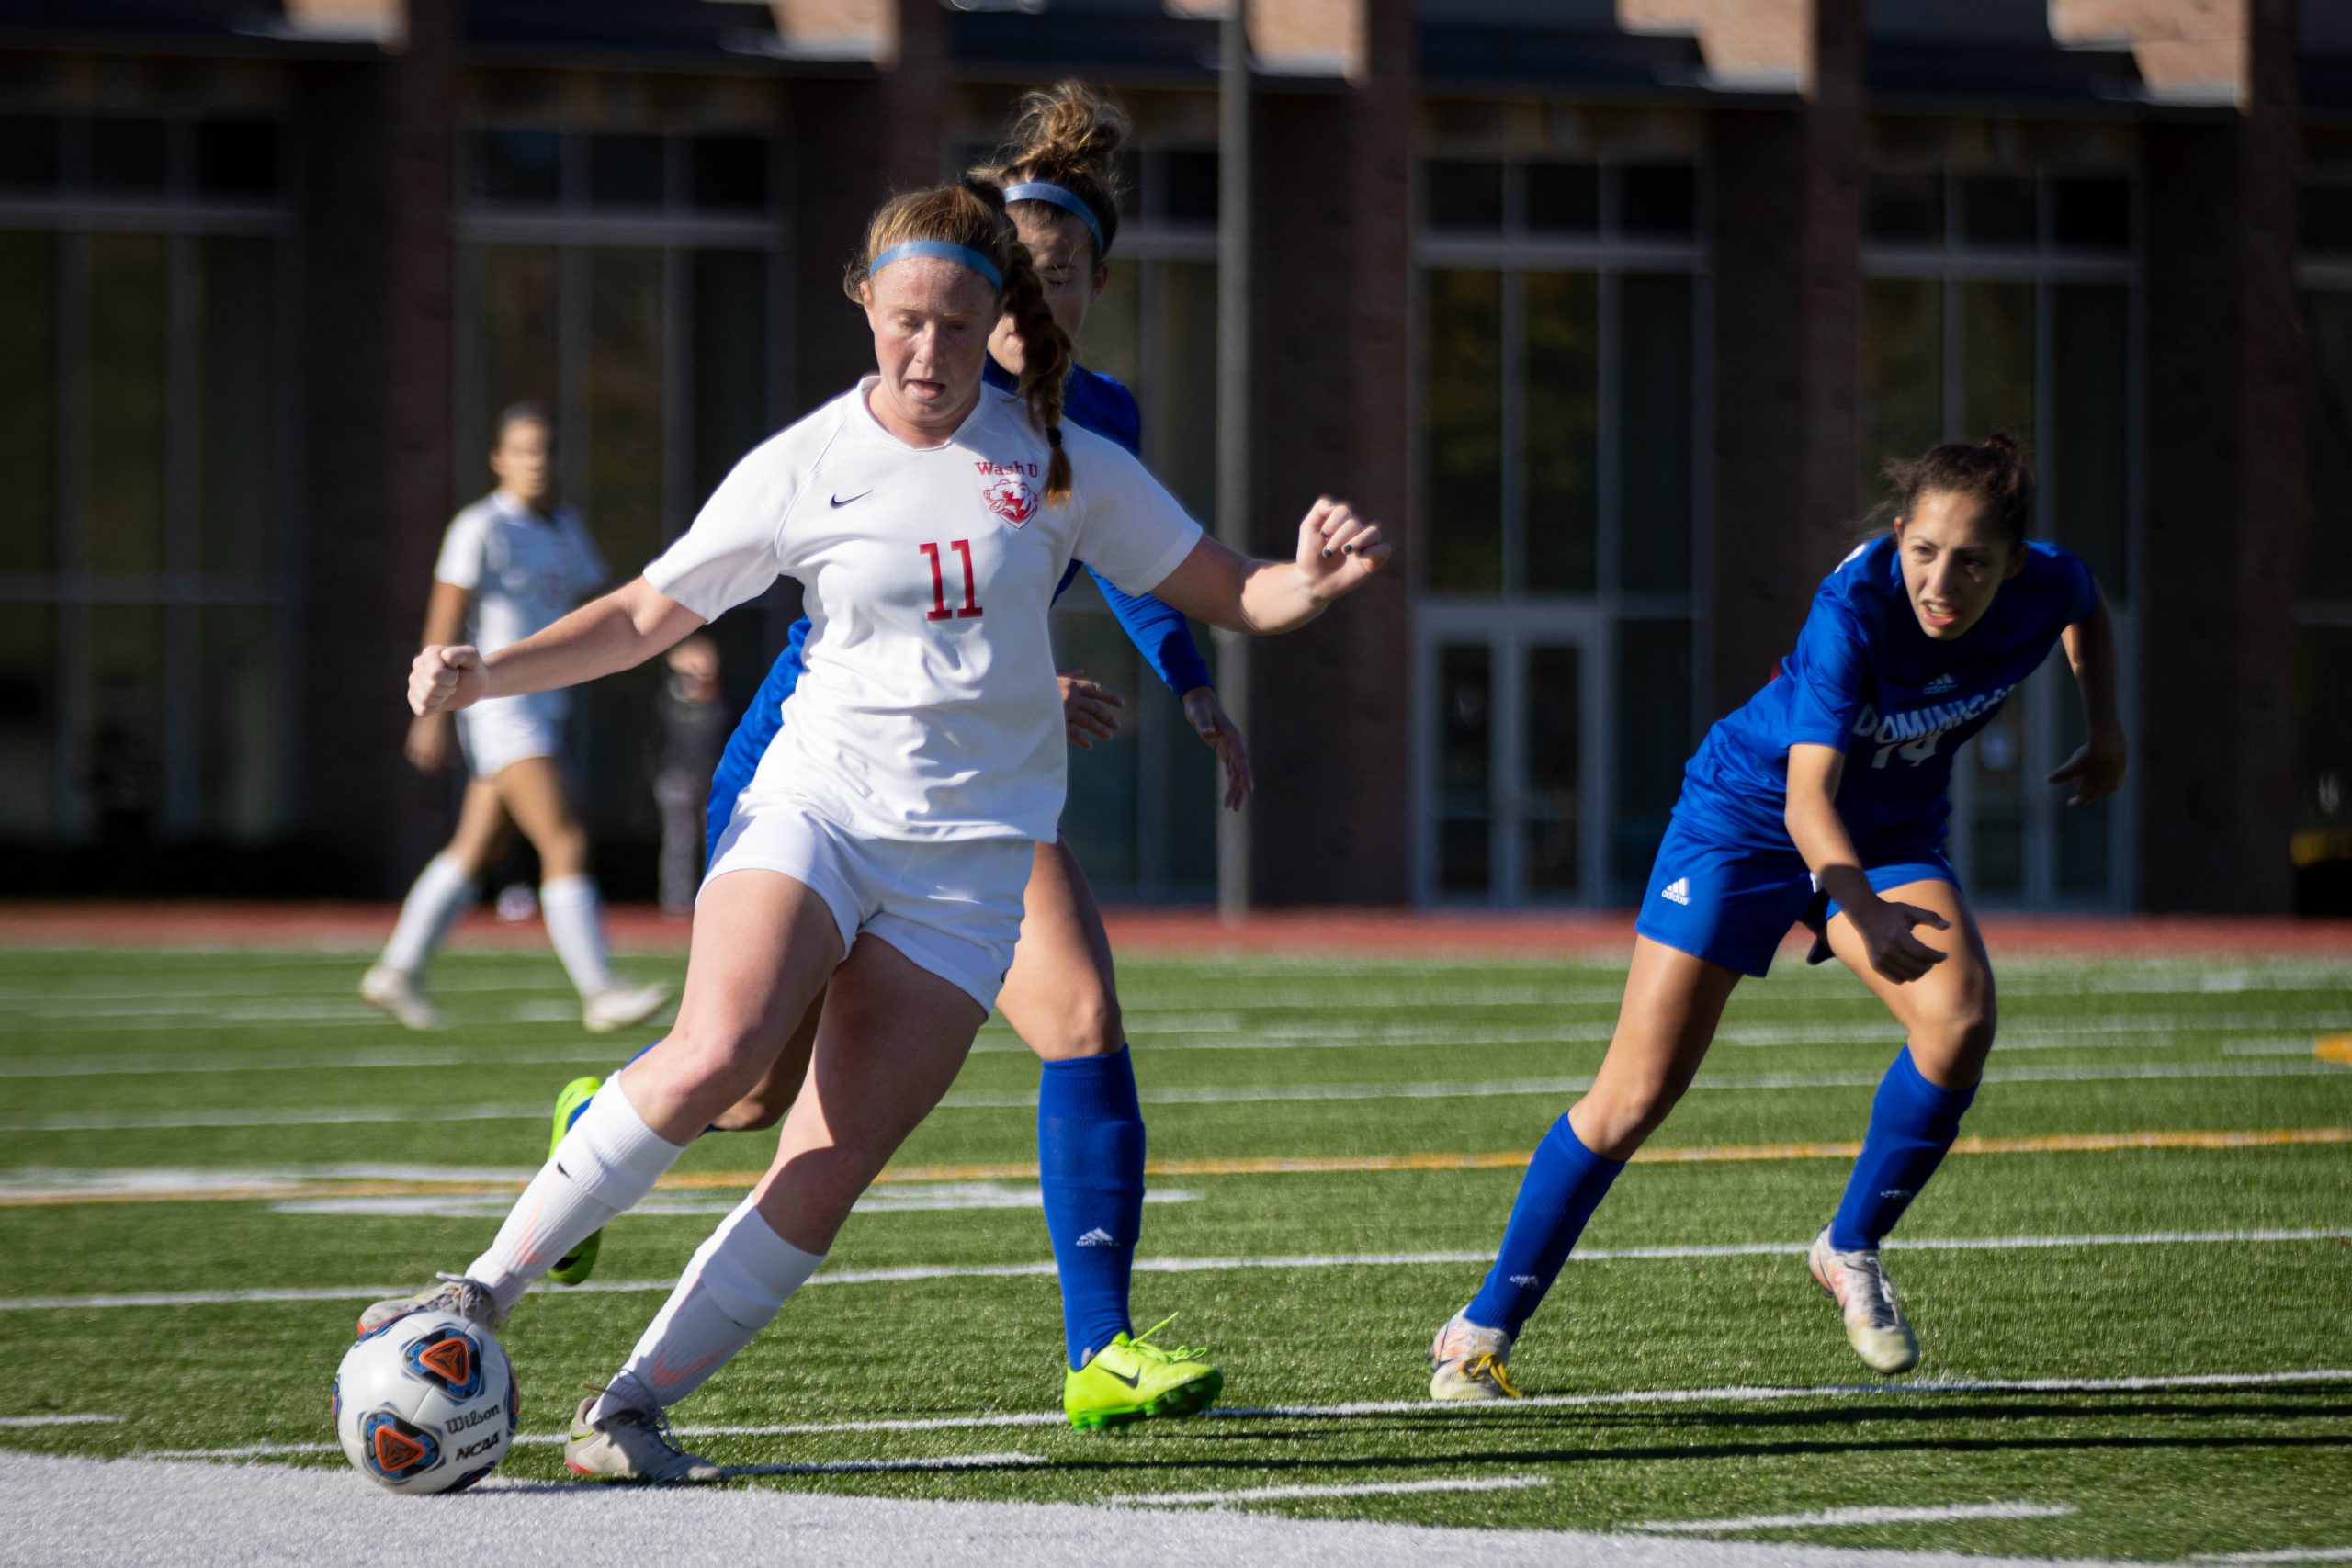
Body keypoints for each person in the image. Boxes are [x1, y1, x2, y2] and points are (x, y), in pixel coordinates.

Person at [360, 175, 1389, 1483]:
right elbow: (639, 615)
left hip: (966, 872)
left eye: (958, 326)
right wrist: (480, 673)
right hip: (820, 807)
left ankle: (625, 1410)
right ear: (864, 303)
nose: (928, 351)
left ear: (994, 322)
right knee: (721, 1046)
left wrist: (1312, 578)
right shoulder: (803, 464)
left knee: (830, 1158)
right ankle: (476, 1294)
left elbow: (1230, 584)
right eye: (905, 319)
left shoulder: (1064, 458)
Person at [542, 81, 1255, 1434]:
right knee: (747, 1086)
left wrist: (1198, 686)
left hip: (979, 783)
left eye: (1061, 278)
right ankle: (603, 1115)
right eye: (1016, 279)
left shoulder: (1089, 415)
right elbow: (881, 587)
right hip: (832, 755)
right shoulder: (913, 392)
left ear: (1095, 283)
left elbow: (1146, 566)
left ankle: (1098, 1349)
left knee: (1083, 1017)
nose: (1031, 306)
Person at [1428, 435, 2127, 1399]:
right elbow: (1805, 803)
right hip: (1747, 819)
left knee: (1960, 1021)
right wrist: (1861, 914)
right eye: (1923, 550)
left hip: (1886, 830)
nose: (1941, 579)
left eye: (1971, 560)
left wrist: (2107, 730)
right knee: (1637, 1093)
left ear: (2014, 561)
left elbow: (2086, 610)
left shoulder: (2049, 584)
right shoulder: (1854, 609)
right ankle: (1479, 1330)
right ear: (1896, 536)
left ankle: (1850, 1247)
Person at [360, 408, 669, 1034]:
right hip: (501, 705)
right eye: (522, 451)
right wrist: (432, 712)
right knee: (565, 839)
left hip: (544, 704)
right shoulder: (479, 526)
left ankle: (395, 970)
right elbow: (444, 618)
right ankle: (600, 990)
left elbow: (597, 606)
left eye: (545, 451)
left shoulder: (562, 527)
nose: (536, 462)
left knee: (477, 848)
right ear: (498, 459)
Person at [651, 634, 729, 918]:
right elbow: (654, 742)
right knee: (679, 843)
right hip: (676, 780)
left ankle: (714, 898)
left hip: (714, 780)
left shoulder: (724, 700)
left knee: (716, 840)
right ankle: (677, 903)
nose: (704, 665)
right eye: (696, 659)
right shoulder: (665, 699)